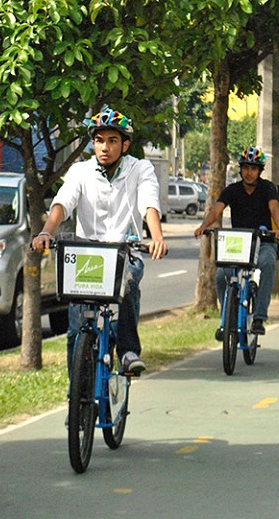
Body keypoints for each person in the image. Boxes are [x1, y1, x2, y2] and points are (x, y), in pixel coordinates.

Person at [31, 106, 168, 375]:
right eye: (99, 140)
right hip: (86, 259)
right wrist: (46, 231)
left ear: (125, 145)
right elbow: (63, 202)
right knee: (76, 330)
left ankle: (128, 351)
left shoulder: (140, 169)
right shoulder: (80, 171)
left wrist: (157, 237)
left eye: (112, 141)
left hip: (123, 254)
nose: (104, 147)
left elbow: (148, 203)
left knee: (129, 281)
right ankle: (76, 396)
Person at [194, 146, 279, 337]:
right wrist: (204, 225)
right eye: (245, 168)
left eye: (253, 168)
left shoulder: (268, 188)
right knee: (221, 276)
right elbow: (217, 210)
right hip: (238, 243)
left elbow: (274, 210)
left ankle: (259, 317)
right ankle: (226, 320)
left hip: (263, 240)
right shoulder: (232, 190)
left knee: (268, 263)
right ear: (240, 169)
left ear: (260, 171)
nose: (249, 172)